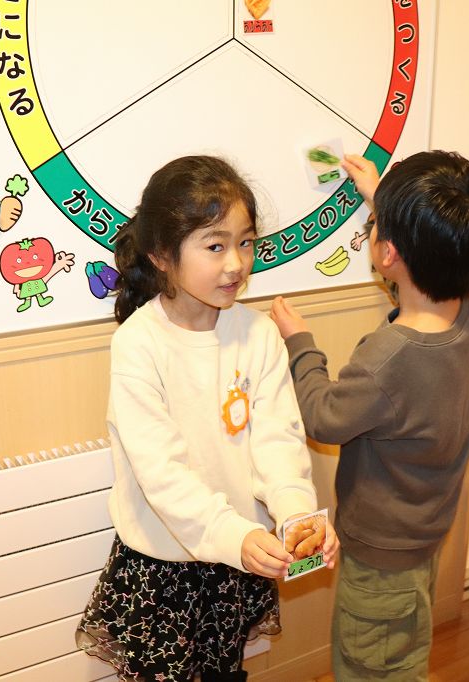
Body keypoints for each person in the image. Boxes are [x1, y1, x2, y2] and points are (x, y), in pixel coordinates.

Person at [77, 155, 338, 682]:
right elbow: (161, 473)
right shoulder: (139, 343)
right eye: (215, 246)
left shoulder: (259, 334)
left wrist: (296, 515)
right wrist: (230, 534)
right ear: (161, 254)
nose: (236, 263)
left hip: (238, 556)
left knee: (226, 673)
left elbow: (278, 440)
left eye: (246, 242)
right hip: (163, 563)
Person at [270, 150, 469, 680]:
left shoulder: (388, 359)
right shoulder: (467, 309)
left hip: (380, 557)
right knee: (403, 647)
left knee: (371, 666)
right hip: (422, 532)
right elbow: (433, 252)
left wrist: (300, 342)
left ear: (389, 252)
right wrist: (383, 201)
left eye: (376, 227)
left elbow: (324, 417)